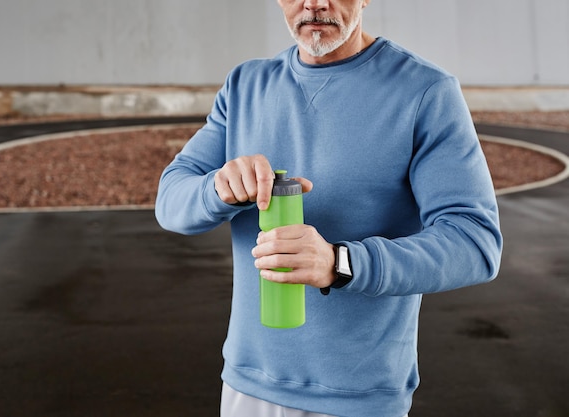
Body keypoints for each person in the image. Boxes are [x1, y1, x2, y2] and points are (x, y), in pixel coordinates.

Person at [155, 0, 503, 415]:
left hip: (358, 398)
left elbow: (474, 243)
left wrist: (341, 263)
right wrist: (218, 188)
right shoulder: (245, 85)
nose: (313, 3)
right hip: (247, 386)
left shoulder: (425, 91)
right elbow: (171, 201)